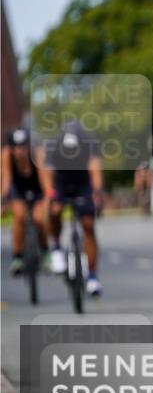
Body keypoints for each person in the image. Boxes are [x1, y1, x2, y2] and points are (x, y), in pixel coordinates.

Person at [42, 122, 105, 296]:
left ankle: (92, 277)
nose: (71, 152)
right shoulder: (53, 146)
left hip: (82, 182)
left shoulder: (89, 144)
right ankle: (56, 247)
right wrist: (50, 194)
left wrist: (97, 192)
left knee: (88, 225)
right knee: (55, 210)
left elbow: (95, 169)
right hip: (61, 182)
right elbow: (48, 173)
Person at [1, 128, 51, 275]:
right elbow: (6, 181)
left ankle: (45, 252)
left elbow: (45, 180)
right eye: (16, 146)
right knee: (19, 216)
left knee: (39, 219)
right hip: (18, 190)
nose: (20, 150)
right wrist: (3, 201)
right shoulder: (6, 155)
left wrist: (48, 199)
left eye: (23, 146)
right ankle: (18, 257)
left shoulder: (38, 154)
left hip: (37, 189)